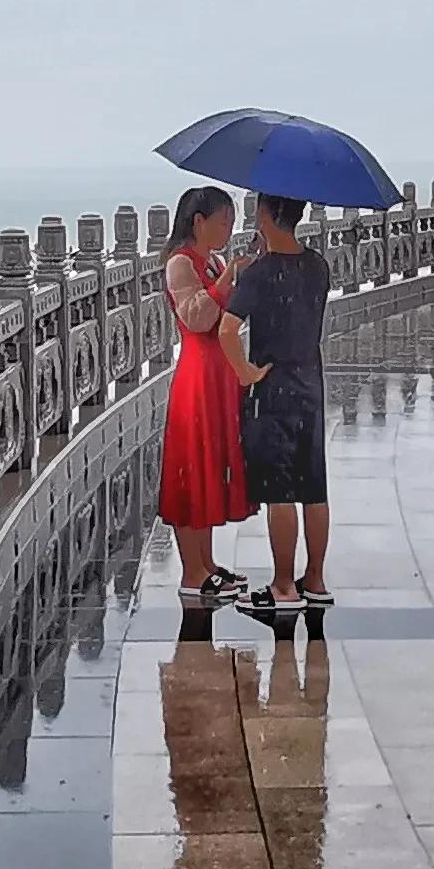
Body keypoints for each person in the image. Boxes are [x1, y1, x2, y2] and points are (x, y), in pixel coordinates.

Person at [229, 192, 334, 620]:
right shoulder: (318, 266)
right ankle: (316, 579)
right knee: (314, 485)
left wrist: (245, 373)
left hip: (273, 386)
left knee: (280, 491)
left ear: (267, 216)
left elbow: (227, 329)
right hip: (311, 380)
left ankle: (283, 585)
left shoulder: (258, 274)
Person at [155, 186, 254, 602]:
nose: (228, 229)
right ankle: (192, 572)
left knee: (210, 466)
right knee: (191, 468)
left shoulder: (211, 261)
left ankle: (208, 564)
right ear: (199, 221)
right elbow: (196, 319)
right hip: (197, 374)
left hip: (219, 371)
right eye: (222, 221)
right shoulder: (181, 263)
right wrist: (229, 277)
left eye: (231, 222)